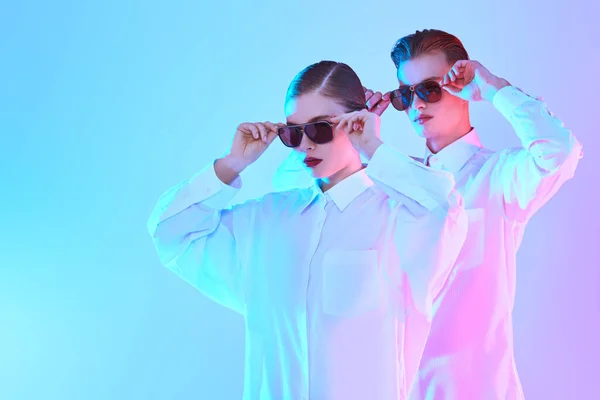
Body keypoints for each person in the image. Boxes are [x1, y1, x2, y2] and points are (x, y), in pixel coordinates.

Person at [147, 60, 467, 399]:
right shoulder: (265, 220)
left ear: (356, 121)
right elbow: (169, 233)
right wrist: (231, 164)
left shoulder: (398, 217)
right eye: (293, 132)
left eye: (320, 128)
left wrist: (373, 146)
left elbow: (447, 209)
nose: (304, 144)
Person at [363, 29, 583, 399]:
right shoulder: (391, 184)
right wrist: (351, 133)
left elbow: (560, 152)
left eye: (429, 89)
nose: (416, 105)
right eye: (405, 94)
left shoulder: (499, 178)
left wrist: (494, 88)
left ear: (461, 83)